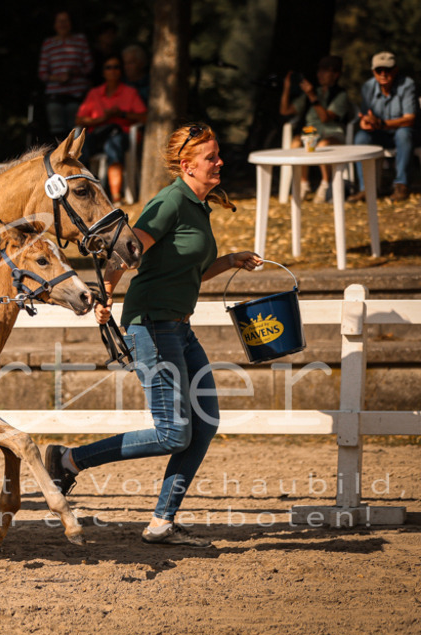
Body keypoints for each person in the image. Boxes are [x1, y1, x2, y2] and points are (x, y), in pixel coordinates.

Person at [45, 123, 262, 548]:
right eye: (211, 157)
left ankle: (163, 521)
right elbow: (124, 252)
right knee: (172, 432)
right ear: (188, 165)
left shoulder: (198, 206)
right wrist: (106, 294)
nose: (219, 162)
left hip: (179, 326)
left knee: (203, 424)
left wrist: (230, 260)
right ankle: (69, 460)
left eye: (217, 156)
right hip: (152, 326)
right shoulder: (170, 201)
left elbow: (191, 270)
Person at [75, 54, 147, 203]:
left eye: (116, 67)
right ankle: (81, 193)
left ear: (120, 71)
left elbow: (144, 118)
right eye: (109, 67)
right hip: (97, 135)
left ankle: (116, 198)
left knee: (113, 146)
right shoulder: (94, 93)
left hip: (122, 136)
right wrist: (100, 120)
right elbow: (79, 120)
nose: (112, 71)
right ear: (103, 72)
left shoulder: (130, 92)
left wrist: (120, 114)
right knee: (80, 147)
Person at [279, 55, 349, 204]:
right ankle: (303, 184)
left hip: (332, 134)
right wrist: (287, 87)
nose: (320, 74)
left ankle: (325, 184)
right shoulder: (309, 94)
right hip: (311, 133)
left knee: (324, 145)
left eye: (325, 71)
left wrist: (313, 97)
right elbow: (285, 110)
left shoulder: (340, 95)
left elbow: (325, 118)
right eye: (320, 71)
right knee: (297, 143)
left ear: (336, 74)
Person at [351, 51, 416, 203]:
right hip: (380, 134)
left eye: (387, 70)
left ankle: (401, 185)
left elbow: (409, 119)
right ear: (373, 72)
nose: (383, 74)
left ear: (395, 70)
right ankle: (366, 188)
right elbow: (365, 117)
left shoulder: (407, 85)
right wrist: (366, 123)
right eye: (379, 70)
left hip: (404, 134)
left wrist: (382, 124)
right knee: (361, 137)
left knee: (403, 134)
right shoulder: (368, 87)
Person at [37, 10, 94, 141]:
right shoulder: (49, 44)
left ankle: (73, 156)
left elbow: (89, 66)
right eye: (59, 21)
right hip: (55, 94)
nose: (63, 24)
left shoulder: (80, 40)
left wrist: (73, 73)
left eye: (66, 20)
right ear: (54, 25)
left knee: (75, 128)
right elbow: (42, 73)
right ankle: (58, 156)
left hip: (77, 93)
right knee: (57, 128)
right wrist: (58, 78)